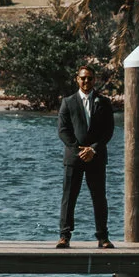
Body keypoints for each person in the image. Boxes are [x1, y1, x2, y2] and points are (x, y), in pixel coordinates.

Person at [56, 65, 114, 250]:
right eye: (83, 78)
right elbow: (63, 130)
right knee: (69, 197)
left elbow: (108, 131)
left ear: (94, 79)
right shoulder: (68, 102)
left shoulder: (103, 102)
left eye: (89, 78)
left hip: (96, 157)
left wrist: (93, 149)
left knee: (99, 198)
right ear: (77, 79)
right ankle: (64, 236)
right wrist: (78, 150)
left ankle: (103, 238)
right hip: (74, 158)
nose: (86, 81)